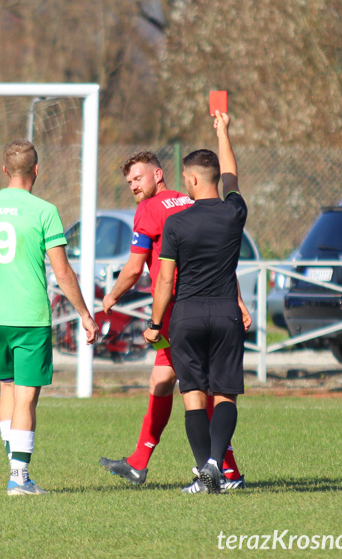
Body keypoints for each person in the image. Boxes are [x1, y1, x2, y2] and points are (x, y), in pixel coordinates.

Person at [0, 139, 97, 496]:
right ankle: (19, 478)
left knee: (8, 388)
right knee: (27, 398)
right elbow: (62, 273)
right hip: (30, 317)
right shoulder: (44, 211)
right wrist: (85, 315)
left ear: (4, 170)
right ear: (36, 170)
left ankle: (15, 462)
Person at [98, 150, 248, 492]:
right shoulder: (191, 200)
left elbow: (135, 268)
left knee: (194, 388)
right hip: (214, 303)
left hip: (177, 313)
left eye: (138, 178)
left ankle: (225, 471)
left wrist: (112, 296)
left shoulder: (149, 210)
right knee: (164, 381)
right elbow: (220, 256)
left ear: (158, 174)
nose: (134, 187)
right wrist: (236, 299)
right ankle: (140, 462)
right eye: (130, 182)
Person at [143, 111, 247, 494]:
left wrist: (155, 324)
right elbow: (232, 177)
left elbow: (166, 279)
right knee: (225, 394)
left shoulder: (177, 223)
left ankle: (206, 477)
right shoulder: (234, 213)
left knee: (192, 397)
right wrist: (223, 132)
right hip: (225, 313)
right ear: (215, 179)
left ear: (189, 180)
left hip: (185, 317)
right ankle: (216, 466)